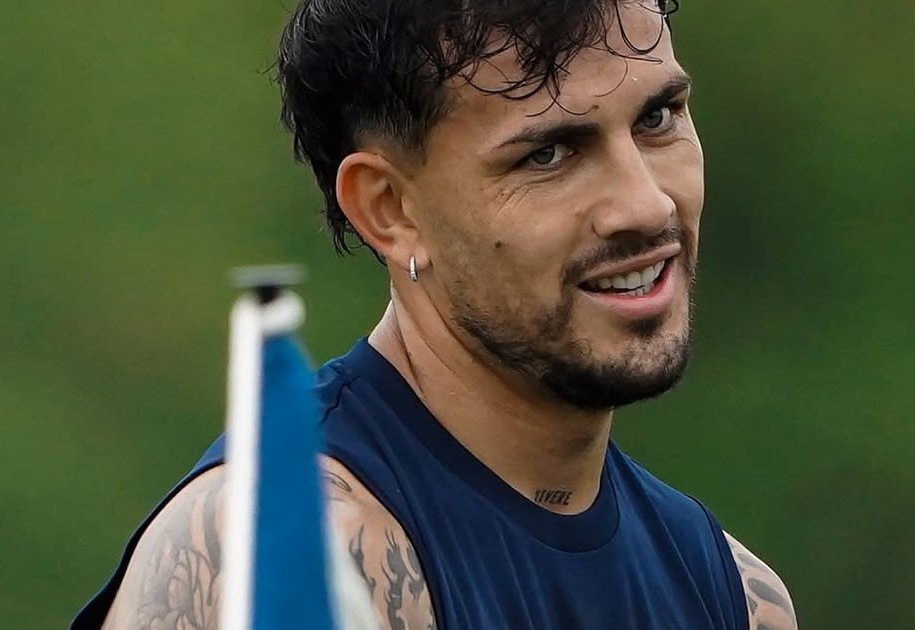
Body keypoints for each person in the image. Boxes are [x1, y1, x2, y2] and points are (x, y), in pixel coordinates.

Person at [74, 0, 798, 628]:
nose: (646, 204)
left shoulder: (736, 597)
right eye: (548, 155)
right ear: (390, 209)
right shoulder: (288, 554)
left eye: (658, 119)